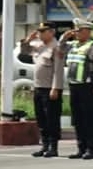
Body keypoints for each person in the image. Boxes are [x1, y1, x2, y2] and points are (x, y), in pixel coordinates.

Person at [57, 18, 93, 160]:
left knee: (88, 119)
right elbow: (59, 49)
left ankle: (91, 149)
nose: (76, 33)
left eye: (79, 31)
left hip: (88, 87)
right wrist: (63, 38)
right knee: (78, 119)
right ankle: (81, 148)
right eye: (75, 30)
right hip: (74, 86)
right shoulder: (72, 45)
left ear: (87, 32)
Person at [21, 21, 63, 158]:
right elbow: (24, 52)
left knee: (52, 119)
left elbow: (58, 70)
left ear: (51, 32)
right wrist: (28, 40)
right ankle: (44, 145)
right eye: (39, 31)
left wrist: (55, 88)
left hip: (50, 88)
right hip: (38, 87)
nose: (39, 34)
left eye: (43, 31)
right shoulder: (39, 46)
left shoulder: (56, 47)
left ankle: (53, 147)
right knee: (41, 118)